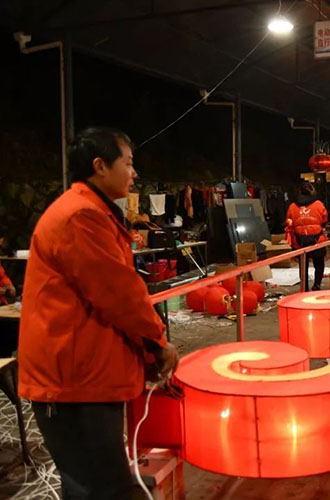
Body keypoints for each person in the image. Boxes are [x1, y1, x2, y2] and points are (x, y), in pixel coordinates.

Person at [17, 127, 179, 498]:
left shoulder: (91, 211)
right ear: (100, 166)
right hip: (73, 381)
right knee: (101, 487)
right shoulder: (81, 217)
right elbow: (119, 295)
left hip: (84, 372)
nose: (134, 173)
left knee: (96, 484)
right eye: (129, 163)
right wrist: (157, 343)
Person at [287, 182, 328, 290]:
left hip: (299, 241)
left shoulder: (292, 206)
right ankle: (317, 285)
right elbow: (324, 220)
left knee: (303, 265)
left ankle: (304, 287)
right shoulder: (319, 204)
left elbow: (289, 222)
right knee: (319, 263)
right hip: (317, 240)